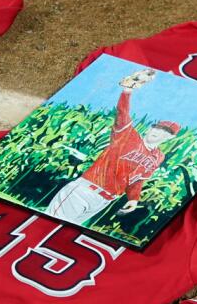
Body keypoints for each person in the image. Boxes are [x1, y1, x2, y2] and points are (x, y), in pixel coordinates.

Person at [45, 69, 180, 226]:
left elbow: (139, 180)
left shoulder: (158, 156)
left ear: (170, 137)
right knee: (47, 225)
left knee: (62, 231)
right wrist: (127, 91)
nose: (158, 131)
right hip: (84, 191)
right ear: (151, 128)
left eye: (165, 131)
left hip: (104, 201)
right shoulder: (128, 136)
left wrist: (133, 199)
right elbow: (122, 113)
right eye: (157, 127)